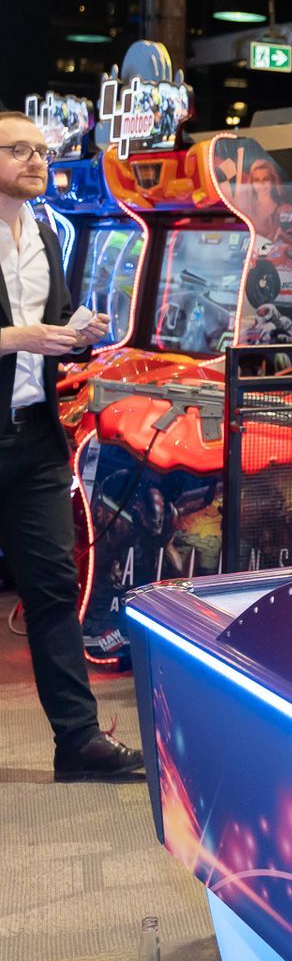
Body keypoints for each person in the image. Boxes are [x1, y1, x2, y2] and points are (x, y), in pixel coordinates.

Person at [0, 112, 139, 781]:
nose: (36, 160)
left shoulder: (46, 232)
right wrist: (20, 338)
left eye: (40, 149)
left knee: (54, 589)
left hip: (34, 436)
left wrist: (78, 331)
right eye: (19, 149)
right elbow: (25, 334)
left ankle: (79, 743)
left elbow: (51, 323)